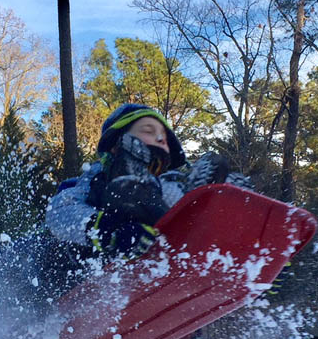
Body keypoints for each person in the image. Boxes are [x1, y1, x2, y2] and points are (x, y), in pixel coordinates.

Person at [46, 103, 247, 260]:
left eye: (164, 137)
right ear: (115, 143)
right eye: (149, 130)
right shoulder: (95, 177)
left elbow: (171, 204)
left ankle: (234, 233)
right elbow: (60, 212)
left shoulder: (163, 186)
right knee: (127, 190)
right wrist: (107, 230)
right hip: (76, 263)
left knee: (169, 195)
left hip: (147, 246)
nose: (160, 138)